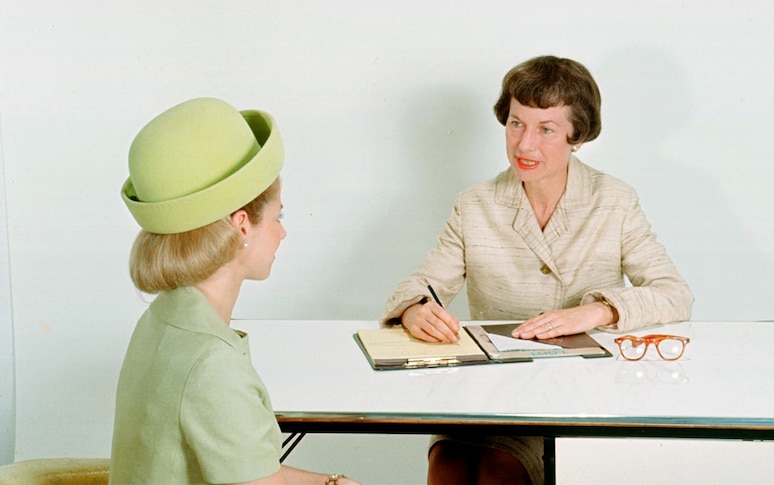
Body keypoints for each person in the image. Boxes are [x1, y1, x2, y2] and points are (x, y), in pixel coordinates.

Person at [381, 55, 694, 485]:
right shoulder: (476, 204)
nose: (525, 145)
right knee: (447, 467)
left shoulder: (614, 200)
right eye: (515, 124)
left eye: (546, 129)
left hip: (577, 393)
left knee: (498, 471)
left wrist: (597, 312)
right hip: (486, 392)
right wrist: (415, 309)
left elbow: (674, 293)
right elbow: (421, 285)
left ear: (575, 135)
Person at [111, 97, 359, 485]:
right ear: (242, 225)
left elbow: (256, 473)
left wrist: (333, 482)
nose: (282, 231)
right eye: (279, 216)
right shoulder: (211, 361)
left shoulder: (164, 317)